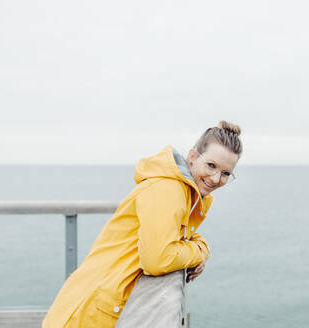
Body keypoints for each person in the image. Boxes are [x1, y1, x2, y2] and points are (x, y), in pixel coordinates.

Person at [42, 121, 243, 327]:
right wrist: (199, 253)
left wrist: (199, 247)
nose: (216, 178)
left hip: (98, 301)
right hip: (88, 312)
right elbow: (158, 259)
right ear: (192, 157)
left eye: (226, 173)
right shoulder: (168, 189)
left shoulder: (190, 193)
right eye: (211, 165)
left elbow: (181, 236)